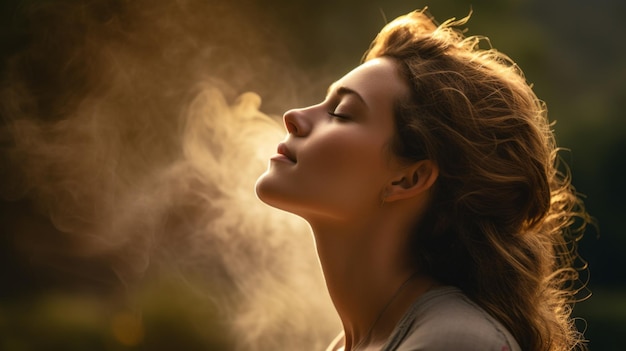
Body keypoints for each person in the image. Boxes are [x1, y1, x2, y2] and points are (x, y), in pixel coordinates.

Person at [255, 8, 589, 351]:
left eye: (341, 114)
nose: (294, 117)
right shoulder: (348, 344)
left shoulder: (457, 341)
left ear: (410, 178)